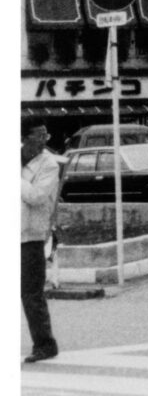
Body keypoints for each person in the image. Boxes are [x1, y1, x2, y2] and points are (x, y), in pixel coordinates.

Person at [22, 122, 61, 363]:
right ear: (25, 137)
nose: (44, 139)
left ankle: (45, 344)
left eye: (46, 134)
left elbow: (36, 196)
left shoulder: (49, 164)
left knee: (30, 293)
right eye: (39, 135)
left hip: (30, 236)